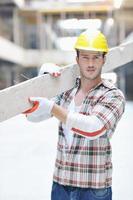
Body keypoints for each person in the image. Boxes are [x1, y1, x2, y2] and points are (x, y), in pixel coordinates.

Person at [24, 29, 125, 200]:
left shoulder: (112, 95)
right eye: (85, 57)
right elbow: (33, 116)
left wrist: (52, 107)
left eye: (96, 57)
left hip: (93, 190)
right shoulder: (67, 91)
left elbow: (93, 128)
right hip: (61, 185)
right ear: (77, 59)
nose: (90, 63)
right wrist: (43, 83)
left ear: (104, 59)